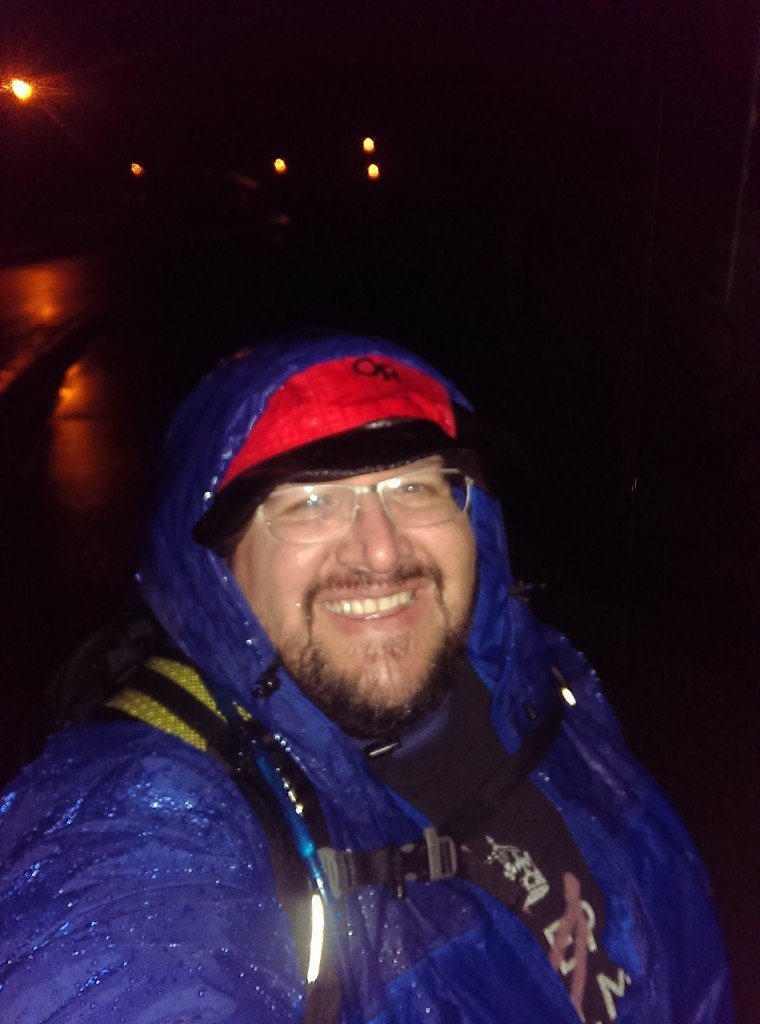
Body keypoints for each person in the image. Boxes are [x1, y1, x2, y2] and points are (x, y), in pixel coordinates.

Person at [0, 332, 733, 1023]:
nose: (381, 552)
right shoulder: (152, 808)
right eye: (311, 502)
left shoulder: (546, 688)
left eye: (415, 487)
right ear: (216, 566)